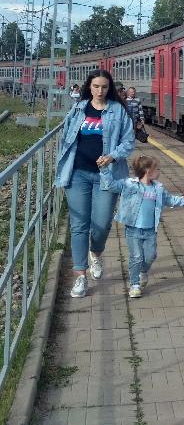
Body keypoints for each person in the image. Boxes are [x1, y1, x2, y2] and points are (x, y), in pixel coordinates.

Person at [55, 69, 134, 298]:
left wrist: (112, 155)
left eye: (104, 87)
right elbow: (66, 138)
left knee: (101, 223)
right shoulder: (78, 109)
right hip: (77, 173)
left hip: (106, 176)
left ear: (109, 89)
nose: (100, 91)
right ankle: (80, 275)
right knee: (79, 224)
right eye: (96, 86)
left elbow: (128, 142)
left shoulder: (118, 111)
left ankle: (96, 252)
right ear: (89, 86)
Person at [100, 155, 184, 298]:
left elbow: (169, 200)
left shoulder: (158, 188)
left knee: (150, 256)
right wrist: (104, 170)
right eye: (156, 168)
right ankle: (134, 284)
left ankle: (143, 271)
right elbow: (111, 185)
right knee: (136, 256)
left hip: (150, 230)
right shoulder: (129, 184)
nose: (159, 171)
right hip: (133, 229)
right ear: (148, 170)